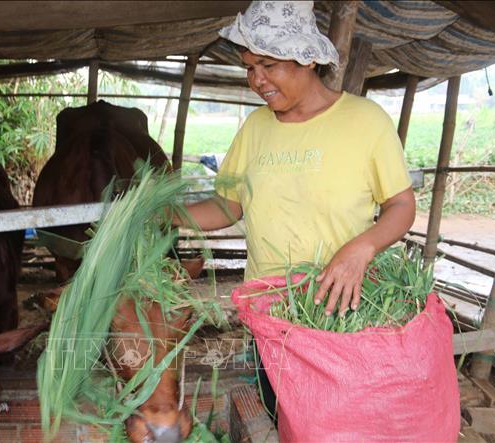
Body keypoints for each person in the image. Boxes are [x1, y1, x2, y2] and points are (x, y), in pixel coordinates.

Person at [173, 0, 416, 422]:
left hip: (340, 311)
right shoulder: (255, 129)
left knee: (338, 422)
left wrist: (361, 249)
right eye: (250, 67)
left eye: (268, 65)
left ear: (306, 60)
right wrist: (166, 214)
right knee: (278, 413)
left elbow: (401, 205)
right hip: (269, 316)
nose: (257, 80)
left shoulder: (365, 121)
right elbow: (226, 206)